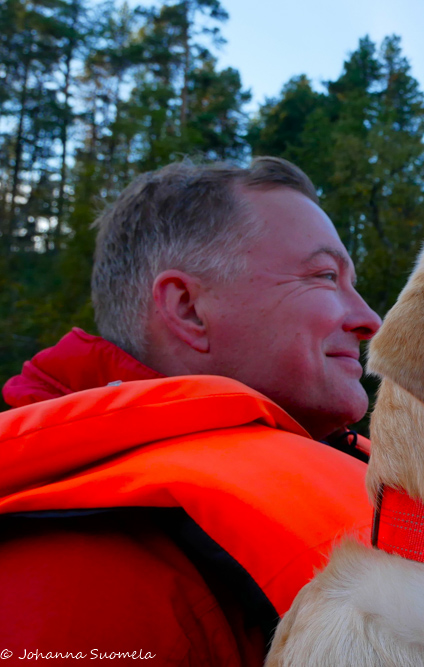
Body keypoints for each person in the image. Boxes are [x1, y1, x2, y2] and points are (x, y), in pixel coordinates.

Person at [0, 157, 382, 665]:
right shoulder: (82, 572)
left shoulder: (363, 471)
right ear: (187, 308)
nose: (370, 320)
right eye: (324, 276)